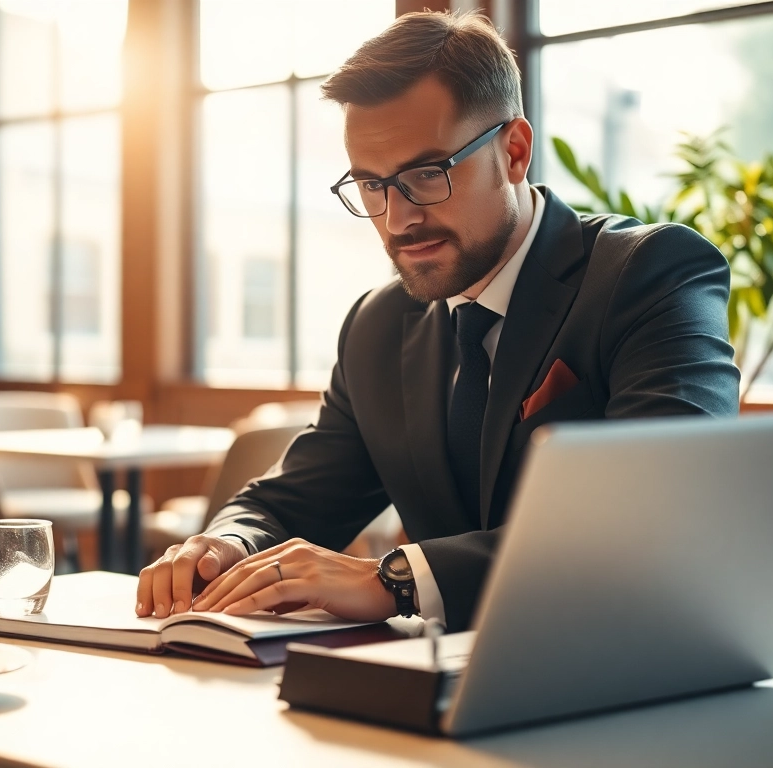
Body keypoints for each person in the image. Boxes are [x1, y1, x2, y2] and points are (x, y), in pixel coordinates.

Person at [136, 10, 740, 631]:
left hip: (626, 670)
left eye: (427, 175)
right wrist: (225, 545)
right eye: (372, 186)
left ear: (514, 151)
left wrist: (397, 580)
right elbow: (298, 498)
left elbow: (664, 511)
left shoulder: (651, 273)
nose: (397, 219)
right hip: (434, 687)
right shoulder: (378, 325)